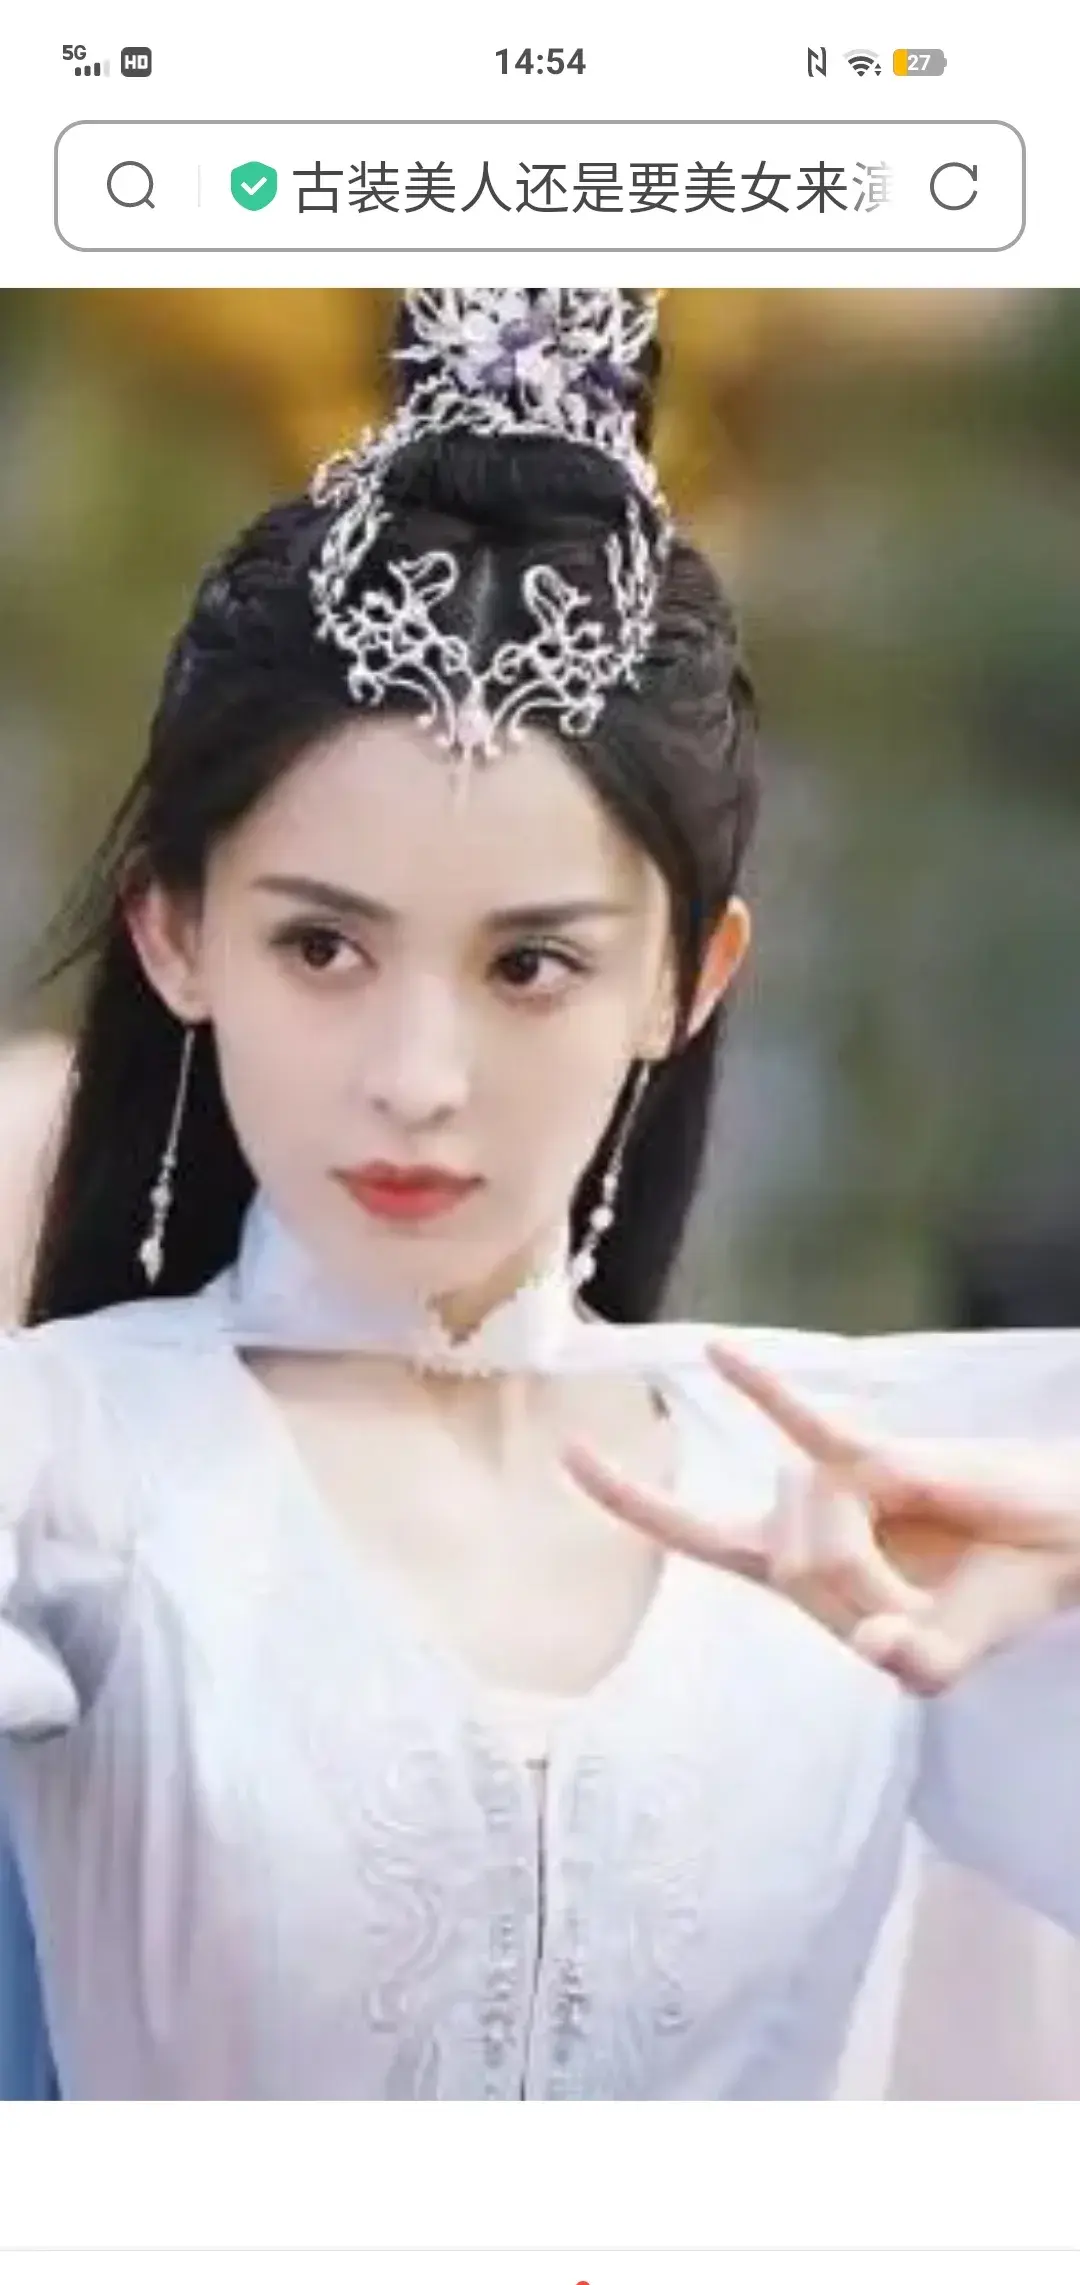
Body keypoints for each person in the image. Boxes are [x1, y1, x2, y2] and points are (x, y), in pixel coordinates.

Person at [0, 284, 1078, 2102]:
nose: (418, 1076)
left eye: (530, 966)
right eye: (323, 947)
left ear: (688, 982)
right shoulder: (68, 1461)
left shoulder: (856, 1477)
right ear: (174, 935)